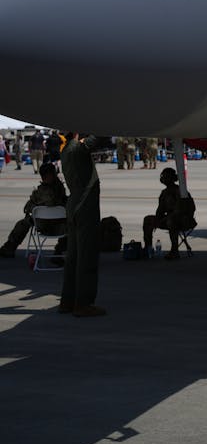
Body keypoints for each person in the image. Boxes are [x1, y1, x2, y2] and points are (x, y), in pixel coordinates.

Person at [59, 132, 109, 318]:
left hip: (73, 204)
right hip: (85, 205)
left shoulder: (65, 151)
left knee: (73, 257)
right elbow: (102, 136)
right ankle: (83, 304)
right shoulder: (78, 148)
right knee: (86, 255)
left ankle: (67, 301)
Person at [0, 161, 67, 257]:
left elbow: (27, 208)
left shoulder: (42, 192)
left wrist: (34, 206)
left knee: (23, 223)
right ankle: (59, 252)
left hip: (43, 226)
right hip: (60, 227)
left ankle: (9, 248)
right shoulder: (60, 190)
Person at [143, 167, 197, 259]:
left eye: (166, 177)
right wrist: (157, 219)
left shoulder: (180, 191)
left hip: (184, 220)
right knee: (148, 220)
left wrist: (164, 218)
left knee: (172, 220)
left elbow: (181, 210)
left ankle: (174, 250)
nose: (163, 179)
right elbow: (160, 210)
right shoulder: (164, 193)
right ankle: (148, 248)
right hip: (169, 218)